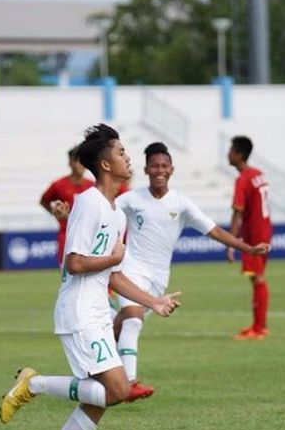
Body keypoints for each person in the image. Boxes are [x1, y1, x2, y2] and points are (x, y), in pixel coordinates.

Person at [0, 124, 181, 430]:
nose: (128, 156)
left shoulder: (115, 212)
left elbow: (114, 276)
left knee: (99, 401)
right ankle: (31, 384)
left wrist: (153, 301)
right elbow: (76, 262)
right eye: (120, 152)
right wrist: (113, 256)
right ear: (105, 163)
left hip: (96, 311)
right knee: (117, 390)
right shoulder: (88, 200)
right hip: (80, 312)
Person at [113, 142, 270, 396]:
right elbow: (102, 211)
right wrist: (67, 217)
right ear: (146, 169)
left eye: (164, 165)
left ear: (171, 169)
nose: (159, 170)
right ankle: (129, 383)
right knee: (133, 321)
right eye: (154, 166)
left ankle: (93, 365)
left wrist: (247, 248)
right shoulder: (131, 199)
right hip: (129, 269)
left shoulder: (182, 204)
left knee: (117, 327)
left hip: (158, 278)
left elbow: (214, 230)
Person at [226, 136, 273, 340]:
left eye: (231, 150)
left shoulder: (243, 179)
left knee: (258, 278)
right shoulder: (259, 174)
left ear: (238, 154)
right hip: (265, 229)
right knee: (257, 277)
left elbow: (238, 212)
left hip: (254, 235)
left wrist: (231, 242)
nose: (228, 153)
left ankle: (259, 328)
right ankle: (258, 325)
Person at [39, 146, 95, 266]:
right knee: (66, 272)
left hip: (89, 235)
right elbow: (44, 201)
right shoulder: (59, 185)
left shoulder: (92, 185)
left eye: (82, 161)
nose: (80, 165)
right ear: (70, 162)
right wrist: (56, 214)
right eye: (77, 161)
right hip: (67, 234)